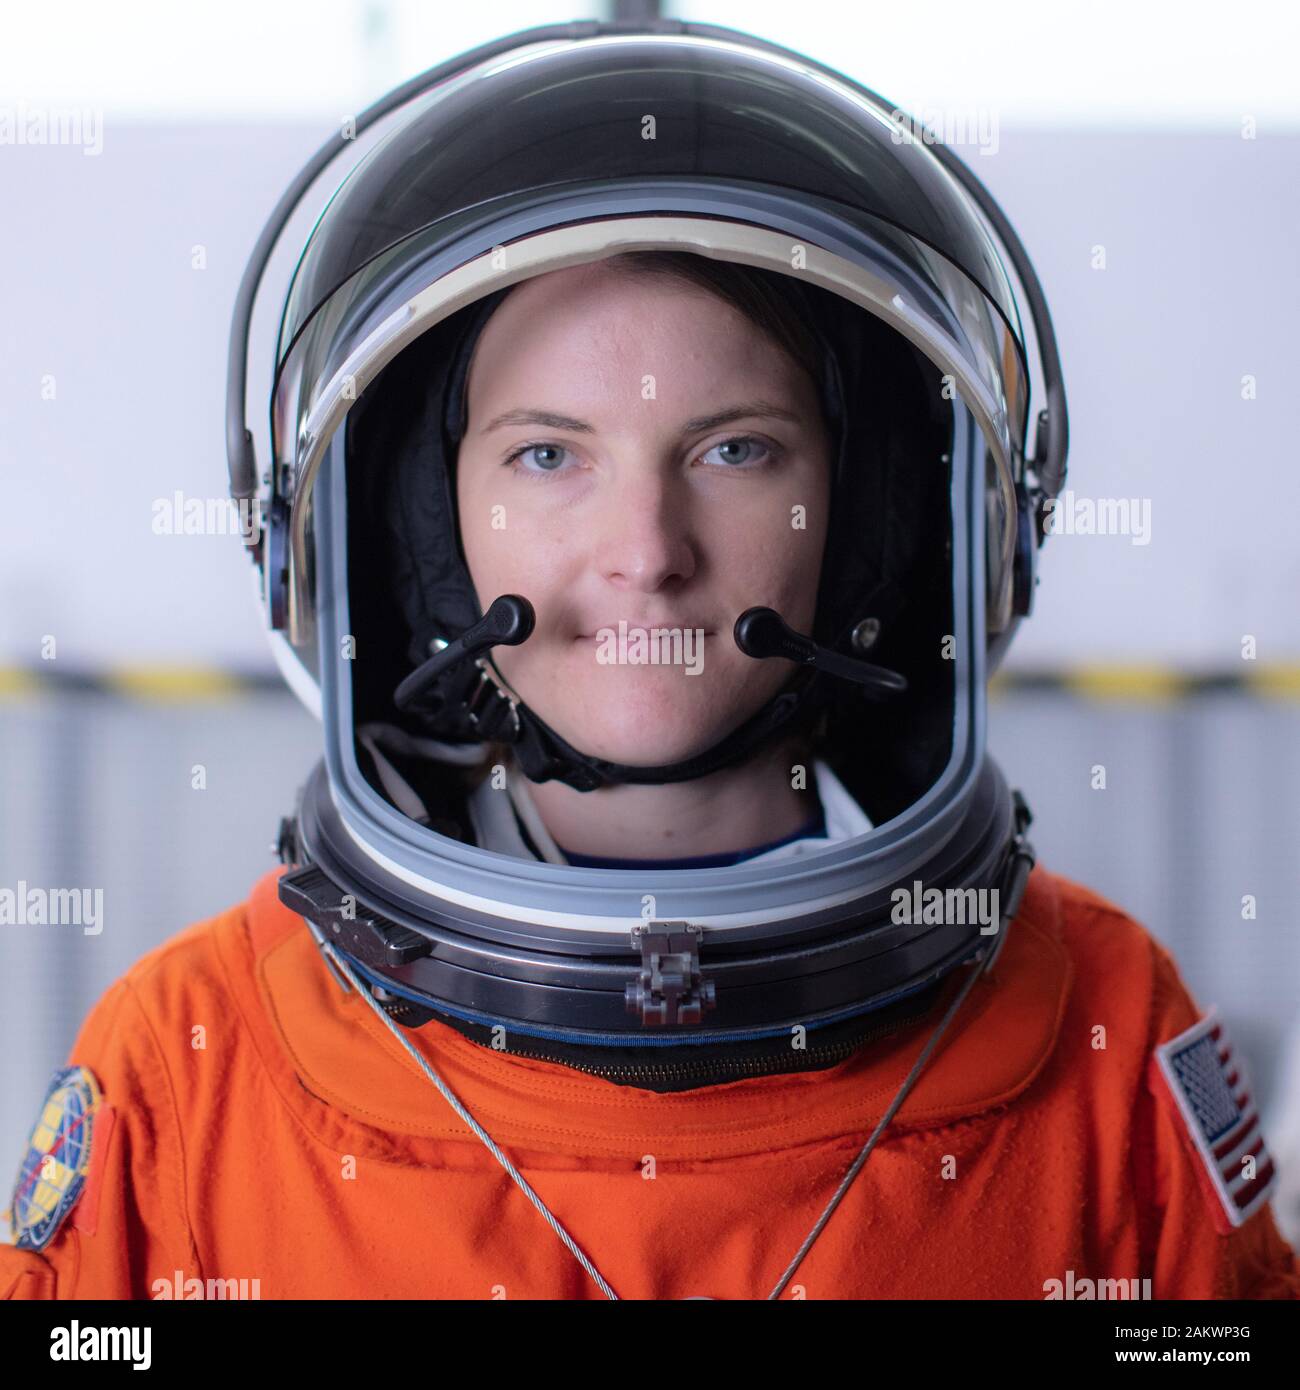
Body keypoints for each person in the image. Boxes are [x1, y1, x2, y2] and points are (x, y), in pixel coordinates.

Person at [4, 21, 1297, 1302]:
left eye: (734, 449)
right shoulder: (187, 1073)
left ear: (875, 518)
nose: (647, 552)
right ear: (414, 532)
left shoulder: (1104, 1025)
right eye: (548, 455)